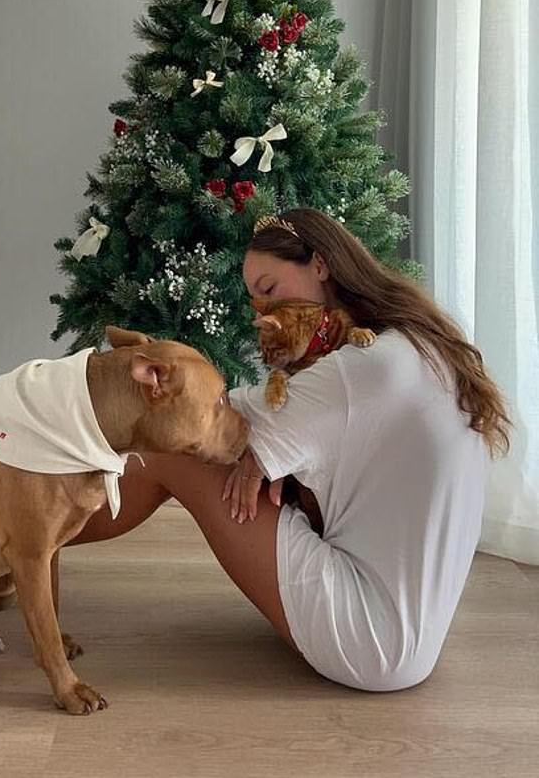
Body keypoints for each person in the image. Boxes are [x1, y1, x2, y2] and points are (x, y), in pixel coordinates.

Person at [67, 207, 511, 691]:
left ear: (320, 266)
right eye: (254, 297)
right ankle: (23, 543)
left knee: (170, 446)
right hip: (412, 638)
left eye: (269, 288)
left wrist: (260, 453)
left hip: (367, 637)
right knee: (224, 453)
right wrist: (273, 459)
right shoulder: (416, 343)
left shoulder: (360, 367)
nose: (261, 310)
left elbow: (204, 420)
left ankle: (20, 544)